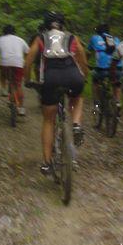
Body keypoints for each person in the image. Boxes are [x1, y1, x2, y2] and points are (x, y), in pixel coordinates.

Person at [24, 11, 89, 175]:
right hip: (72, 75)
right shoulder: (71, 37)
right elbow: (81, 56)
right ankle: (76, 124)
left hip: (51, 77)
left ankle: (47, 163)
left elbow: (29, 60)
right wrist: (84, 76)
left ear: (46, 24)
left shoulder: (41, 38)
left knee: (48, 120)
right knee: (77, 98)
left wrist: (27, 79)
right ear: (62, 24)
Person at [0, 24, 30, 116]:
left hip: (5, 63)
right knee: (18, 85)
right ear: (14, 32)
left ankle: (4, 89)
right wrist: (24, 63)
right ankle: (20, 108)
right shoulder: (20, 40)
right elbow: (28, 52)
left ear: (3, 32)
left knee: (2, 73)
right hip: (18, 63)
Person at [87, 23, 122, 108]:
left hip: (102, 69)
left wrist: (86, 63)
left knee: (95, 80)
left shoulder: (94, 38)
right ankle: (117, 102)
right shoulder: (116, 39)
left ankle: (96, 102)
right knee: (116, 82)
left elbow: (88, 52)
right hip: (117, 68)